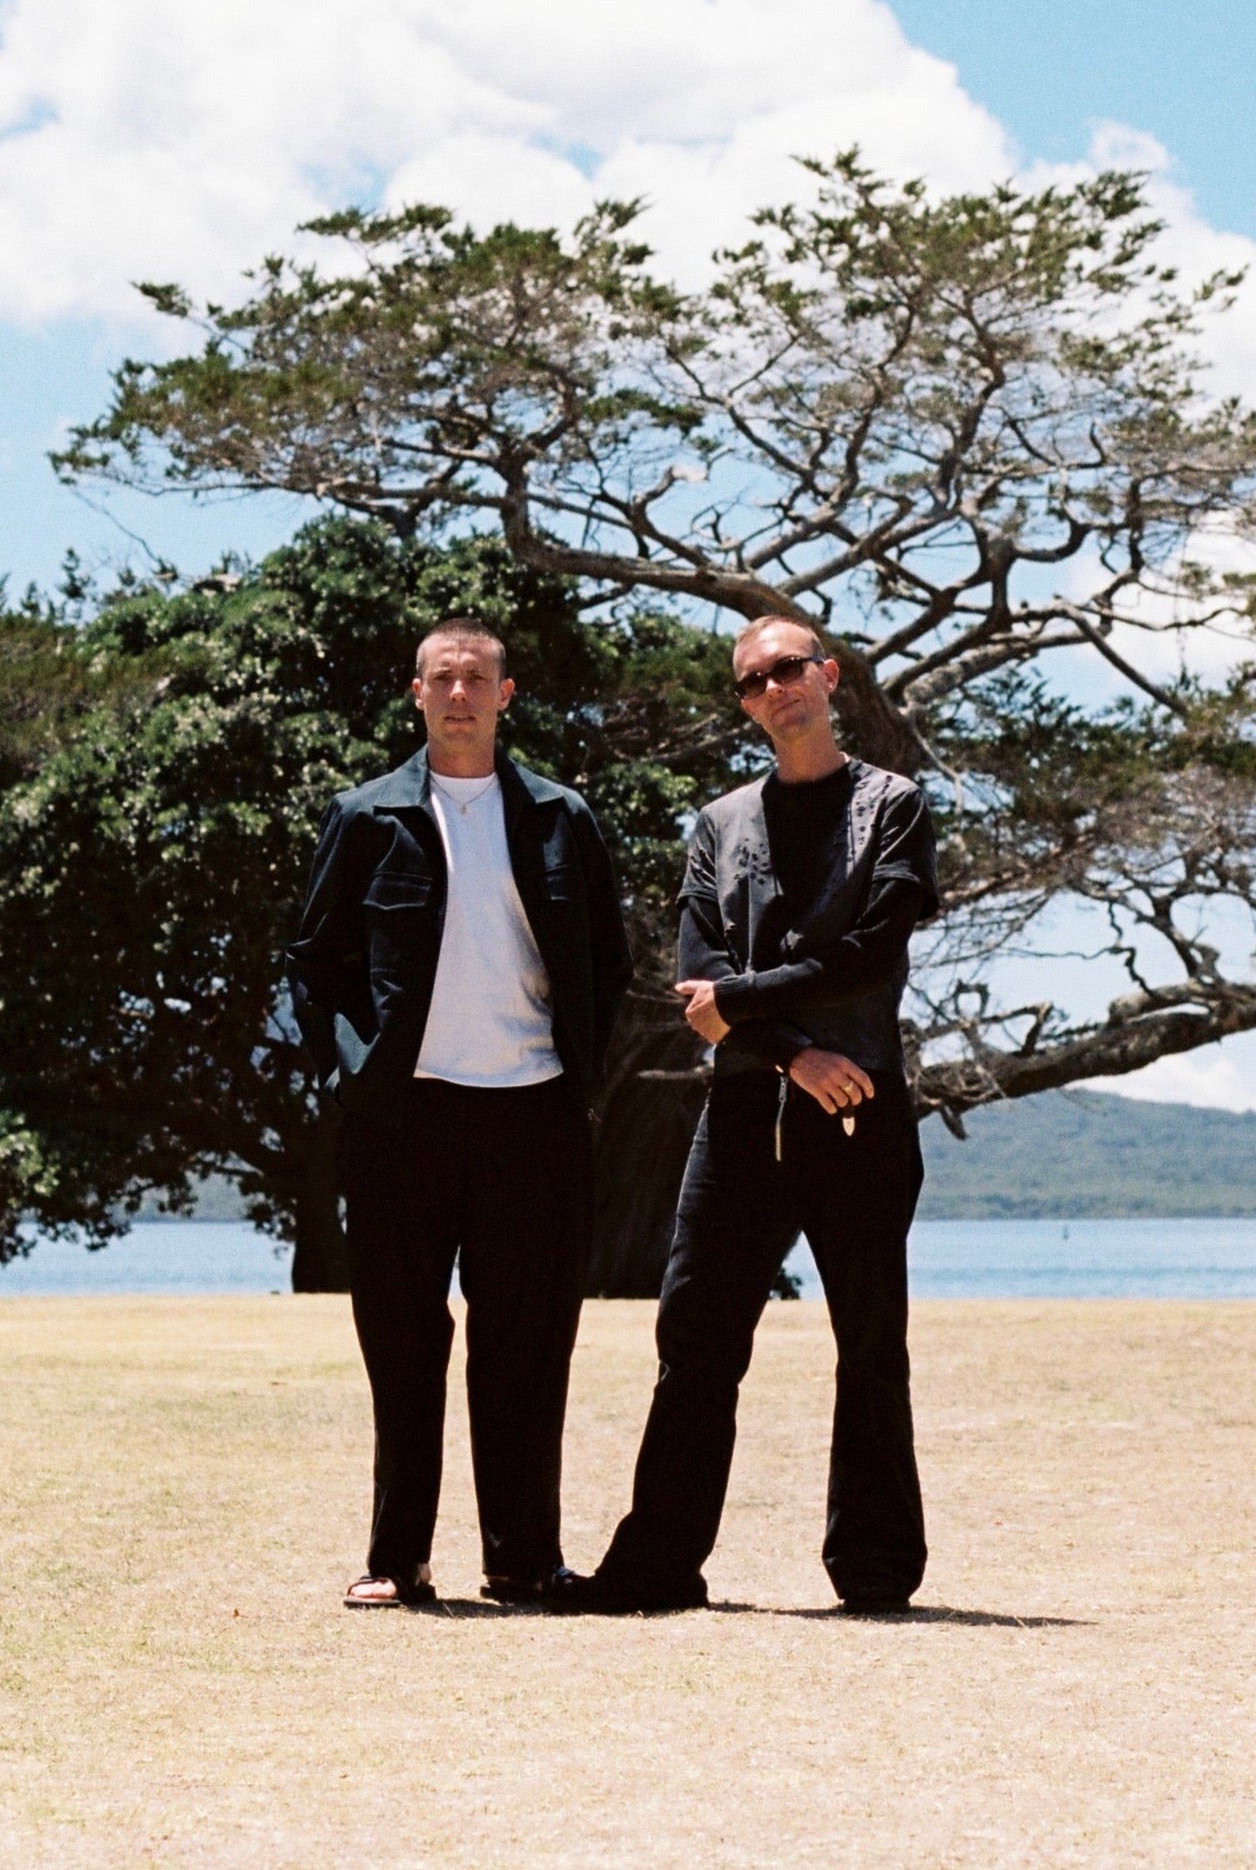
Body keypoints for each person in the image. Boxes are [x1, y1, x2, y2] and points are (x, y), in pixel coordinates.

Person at [565, 612, 940, 1615]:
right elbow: (699, 986)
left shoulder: (893, 806)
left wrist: (743, 1003)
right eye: (751, 681)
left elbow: (871, 954)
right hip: (743, 1110)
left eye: (788, 668)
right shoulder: (720, 824)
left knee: (870, 1345)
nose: (773, 688)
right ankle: (655, 1568)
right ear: (743, 705)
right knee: (694, 1338)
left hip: (859, 1109)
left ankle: (874, 1572)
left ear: (828, 676)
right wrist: (791, 1052)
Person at [288, 616, 629, 1610]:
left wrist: (577, 1078)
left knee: (526, 1347)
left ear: (506, 694)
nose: (460, 694)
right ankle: (397, 1559)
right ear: (416, 692)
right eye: (442, 677)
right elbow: (314, 963)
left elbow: (607, 965)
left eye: (477, 677)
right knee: (402, 1343)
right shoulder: (367, 817)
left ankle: (523, 1558)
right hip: (404, 1117)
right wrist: (349, 1076)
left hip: (532, 1113)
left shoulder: (561, 817)